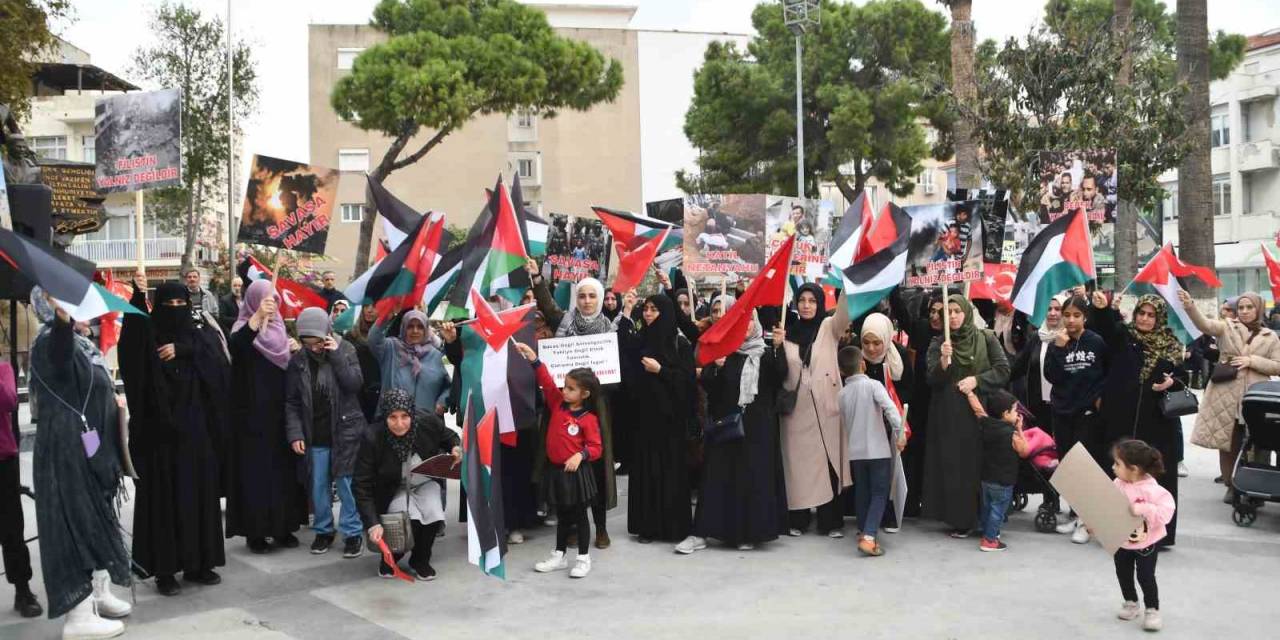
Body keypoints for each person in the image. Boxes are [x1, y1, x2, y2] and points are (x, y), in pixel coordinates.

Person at [28, 288, 132, 636]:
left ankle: (98, 594)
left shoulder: (81, 342)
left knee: (96, 517)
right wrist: (62, 319)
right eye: (55, 299)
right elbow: (60, 358)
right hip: (67, 449)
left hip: (89, 445)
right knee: (74, 523)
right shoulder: (50, 341)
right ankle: (79, 614)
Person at [118, 277, 229, 596]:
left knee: (198, 496)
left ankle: (199, 563)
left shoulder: (196, 335)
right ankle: (164, 570)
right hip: (161, 435)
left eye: (182, 303)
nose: (176, 309)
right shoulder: (148, 334)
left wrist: (182, 350)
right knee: (164, 502)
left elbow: (217, 365)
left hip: (195, 433)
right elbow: (131, 353)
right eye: (169, 304)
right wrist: (138, 299)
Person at [676, 304, 788, 554]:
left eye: (750, 321)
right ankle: (701, 533)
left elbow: (780, 377)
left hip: (757, 429)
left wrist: (779, 348)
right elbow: (709, 387)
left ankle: (746, 533)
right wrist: (715, 367)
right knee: (716, 478)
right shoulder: (725, 350)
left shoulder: (766, 352)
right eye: (740, 321)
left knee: (751, 480)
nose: (745, 326)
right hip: (727, 426)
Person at [529, 262, 619, 547]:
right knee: (567, 469)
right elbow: (548, 305)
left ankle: (600, 528)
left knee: (596, 467)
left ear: (600, 299)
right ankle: (570, 528)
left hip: (597, 409)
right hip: (566, 407)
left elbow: (618, 375)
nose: (587, 301)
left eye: (592, 296)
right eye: (582, 296)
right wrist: (537, 278)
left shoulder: (609, 330)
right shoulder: (565, 322)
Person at [1091, 291, 1185, 546]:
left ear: (1159, 318)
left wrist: (1172, 382)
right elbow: (1106, 328)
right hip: (1120, 418)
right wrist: (1102, 309)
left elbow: (1183, 377)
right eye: (1141, 313)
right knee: (1117, 474)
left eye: (1151, 315)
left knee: (1153, 479)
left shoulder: (1171, 344)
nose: (1144, 319)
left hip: (1156, 424)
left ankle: (1156, 535)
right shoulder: (1125, 336)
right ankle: (1114, 529)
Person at [225, 280, 307, 554]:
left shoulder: (281, 329)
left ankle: (283, 527)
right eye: (264, 300)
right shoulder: (242, 327)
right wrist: (258, 317)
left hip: (281, 413)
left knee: (282, 472)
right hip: (252, 416)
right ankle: (256, 532)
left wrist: (294, 350)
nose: (271, 305)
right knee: (257, 473)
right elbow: (237, 347)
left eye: (273, 300)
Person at [924, 294, 1010, 538]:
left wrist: (978, 380)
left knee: (979, 465)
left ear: (967, 312)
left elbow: (1003, 370)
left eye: (956, 311)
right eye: (948, 312)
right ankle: (959, 519)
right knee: (954, 466)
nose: (952, 316)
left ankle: (985, 518)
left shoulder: (986, 338)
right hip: (948, 414)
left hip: (978, 412)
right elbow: (931, 379)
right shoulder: (939, 343)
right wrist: (943, 360)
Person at [1183, 290, 1280, 503]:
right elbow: (1205, 324)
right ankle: (1231, 484)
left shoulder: (1270, 336)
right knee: (1229, 442)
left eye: (1249, 307)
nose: (1244, 311)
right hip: (1226, 395)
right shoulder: (1227, 327)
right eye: (1241, 307)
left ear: (1258, 309)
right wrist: (1190, 306)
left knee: (1258, 442)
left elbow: (1278, 365)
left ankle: (1256, 487)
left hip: (1256, 398)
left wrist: (1252, 361)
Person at [286, 308, 367, 559]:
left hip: (346, 429)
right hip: (315, 433)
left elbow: (354, 384)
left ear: (327, 333)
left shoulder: (346, 349)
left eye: (318, 342)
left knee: (346, 484)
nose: (314, 348)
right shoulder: (298, 360)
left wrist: (336, 355)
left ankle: (352, 532)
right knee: (318, 485)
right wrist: (295, 433)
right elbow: (292, 401)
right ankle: (323, 530)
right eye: (308, 343)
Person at [354, 389, 460, 581]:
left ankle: (420, 560)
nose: (399, 423)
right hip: (393, 487)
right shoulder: (372, 437)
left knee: (432, 514)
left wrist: (455, 447)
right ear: (385, 417)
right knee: (408, 520)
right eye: (392, 417)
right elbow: (361, 484)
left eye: (404, 416)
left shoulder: (428, 422)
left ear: (412, 414)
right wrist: (372, 523)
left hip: (425, 480)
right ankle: (391, 558)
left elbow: (449, 436)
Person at [517, 344, 603, 578]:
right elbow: (546, 381)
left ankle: (583, 558)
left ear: (585, 394)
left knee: (580, 517)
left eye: (571, 389)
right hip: (556, 471)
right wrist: (534, 359)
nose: (564, 391)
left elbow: (596, 448)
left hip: (576, 475)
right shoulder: (557, 404)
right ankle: (559, 555)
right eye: (564, 386)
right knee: (563, 517)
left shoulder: (588, 419)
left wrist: (580, 455)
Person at [618, 294, 696, 543]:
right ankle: (647, 526)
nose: (648, 314)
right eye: (646, 309)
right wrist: (627, 311)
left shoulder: (679, 344)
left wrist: (660, 370)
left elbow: (687, 382)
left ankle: (672, 527)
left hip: (671, 421)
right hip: (644, 419)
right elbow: (623, 347)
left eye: (654, 309)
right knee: (647, 472)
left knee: (670, 471)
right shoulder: (642, 339)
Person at [779, 283, 852, 537]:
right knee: (797, 467)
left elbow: (844, 314)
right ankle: (798, 519)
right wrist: (777, 347)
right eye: (802, 300)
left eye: (812, 301)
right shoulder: (786, 332)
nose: (806, 305)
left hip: (825, 408)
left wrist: (846, 284)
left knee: (828, 463)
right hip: (796, 413)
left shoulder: (829, 327)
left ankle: (830, 522)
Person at [1044, 294, 1108, 543]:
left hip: (1087, 413)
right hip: (1062, 411)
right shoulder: (1057, 342)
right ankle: (1077, 514)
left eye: (1076, 315)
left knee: (1085, 465)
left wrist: (1100, 398)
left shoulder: (1096, 342)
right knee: (1068, 465)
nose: (1071, 320)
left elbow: (1106, 372)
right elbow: (1052, 376)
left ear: (1085, 317)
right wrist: (1059, 349)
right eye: (1067, 315)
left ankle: (1086, 522)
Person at [837, 346, 903, 556]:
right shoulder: (874, 385)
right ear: (863, 364)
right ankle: (869, 536)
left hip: (855, 452)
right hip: (878, 450)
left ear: (841, 370)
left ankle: (863, 529)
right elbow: (890, 409)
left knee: (862, 493)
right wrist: (900, 433)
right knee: (879, 493)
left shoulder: (842, 394)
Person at [1110, 440, 1176, 633]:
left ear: (1134, 469)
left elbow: (1165, 514)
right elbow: (1108, 507)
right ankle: (1131, 602)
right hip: (1122, 540)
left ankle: (1152, 609)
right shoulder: (1117, 484)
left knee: (1145, 575)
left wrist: (1144, 509)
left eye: (1117, 464)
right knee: (1123, 573)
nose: (1113, 467)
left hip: (1146, 543)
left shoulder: (1153, 490)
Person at [858, 312, 912, 533]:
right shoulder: (858, 357)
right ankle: (866, 519)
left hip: (892, 423)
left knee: (890, 473)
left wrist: (898, 425)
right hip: (864, 424)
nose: (871, 349)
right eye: (866, 343)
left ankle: (889, 515)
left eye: (877, 343)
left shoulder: (898, 355)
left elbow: (908, 390)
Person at [0, 360, 41, 618]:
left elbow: (8, 401)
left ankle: (22, 590)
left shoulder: (3, 369)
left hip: (3, 459)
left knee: (12, 529)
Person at [973, 390, 1030, 552]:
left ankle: (988, 532)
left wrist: (970, 395)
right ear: (1005, 414)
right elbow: (1025, 451)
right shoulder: (1011, 435)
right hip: (1003, 481)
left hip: (986, 478)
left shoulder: (986, 423)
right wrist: (1020, 429)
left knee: (987, 508)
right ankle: (990, 540)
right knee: (998, 510)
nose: (1017, 414)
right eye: (1015, 410)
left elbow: (978, 410)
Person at [369, 310, 451, 416]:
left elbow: (449, 386)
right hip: (393, 420)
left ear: (426, 330)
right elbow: (373, 340)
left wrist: (443, 402)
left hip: (426, 421)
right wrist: (385, 317)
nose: (415, 331)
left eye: (420, 327)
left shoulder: (436, 355)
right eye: (410, 326)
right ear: (403, 328)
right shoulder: (391, 348)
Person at [1011, 295, 1065, 430]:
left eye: (1057, 309)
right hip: (1038, 406)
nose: (1052, 313)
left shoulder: (1071, 337)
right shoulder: (1037, 337)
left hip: (1064, 405)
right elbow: (1017, 368)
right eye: (1049, 309)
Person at [345, 305, 383, 422]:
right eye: (366, 306)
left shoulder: (385, 334)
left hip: (379, 390)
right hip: (358, 391)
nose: (369, 310)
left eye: (374, 306)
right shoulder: (351, 336)